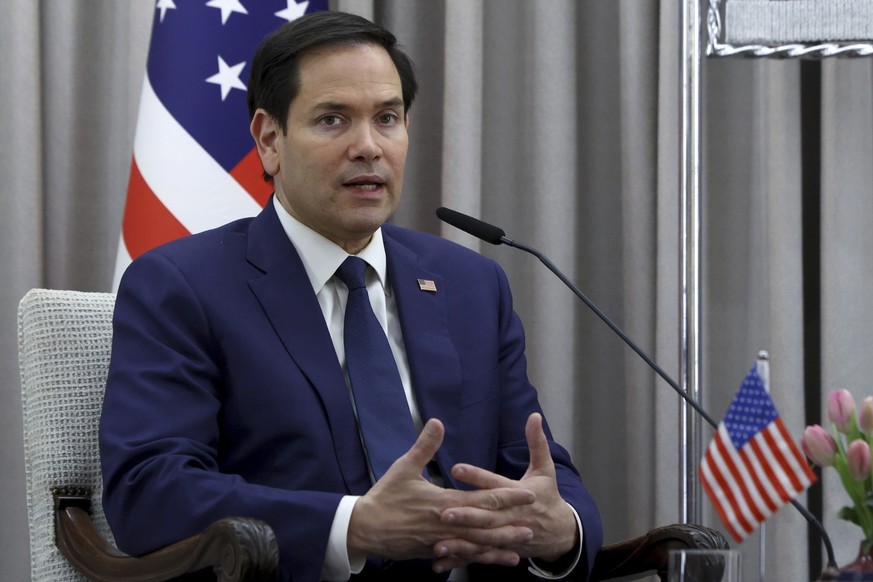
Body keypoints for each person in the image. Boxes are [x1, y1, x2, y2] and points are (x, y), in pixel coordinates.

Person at [99, 10, 602, 581]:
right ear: (270, 141)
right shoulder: (182, 285)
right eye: (333, 119)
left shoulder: (471, 284)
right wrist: (353, 525)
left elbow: (539, 471)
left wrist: (561, 531)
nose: (369, 147)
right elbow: (149, 492)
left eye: (388, 118)